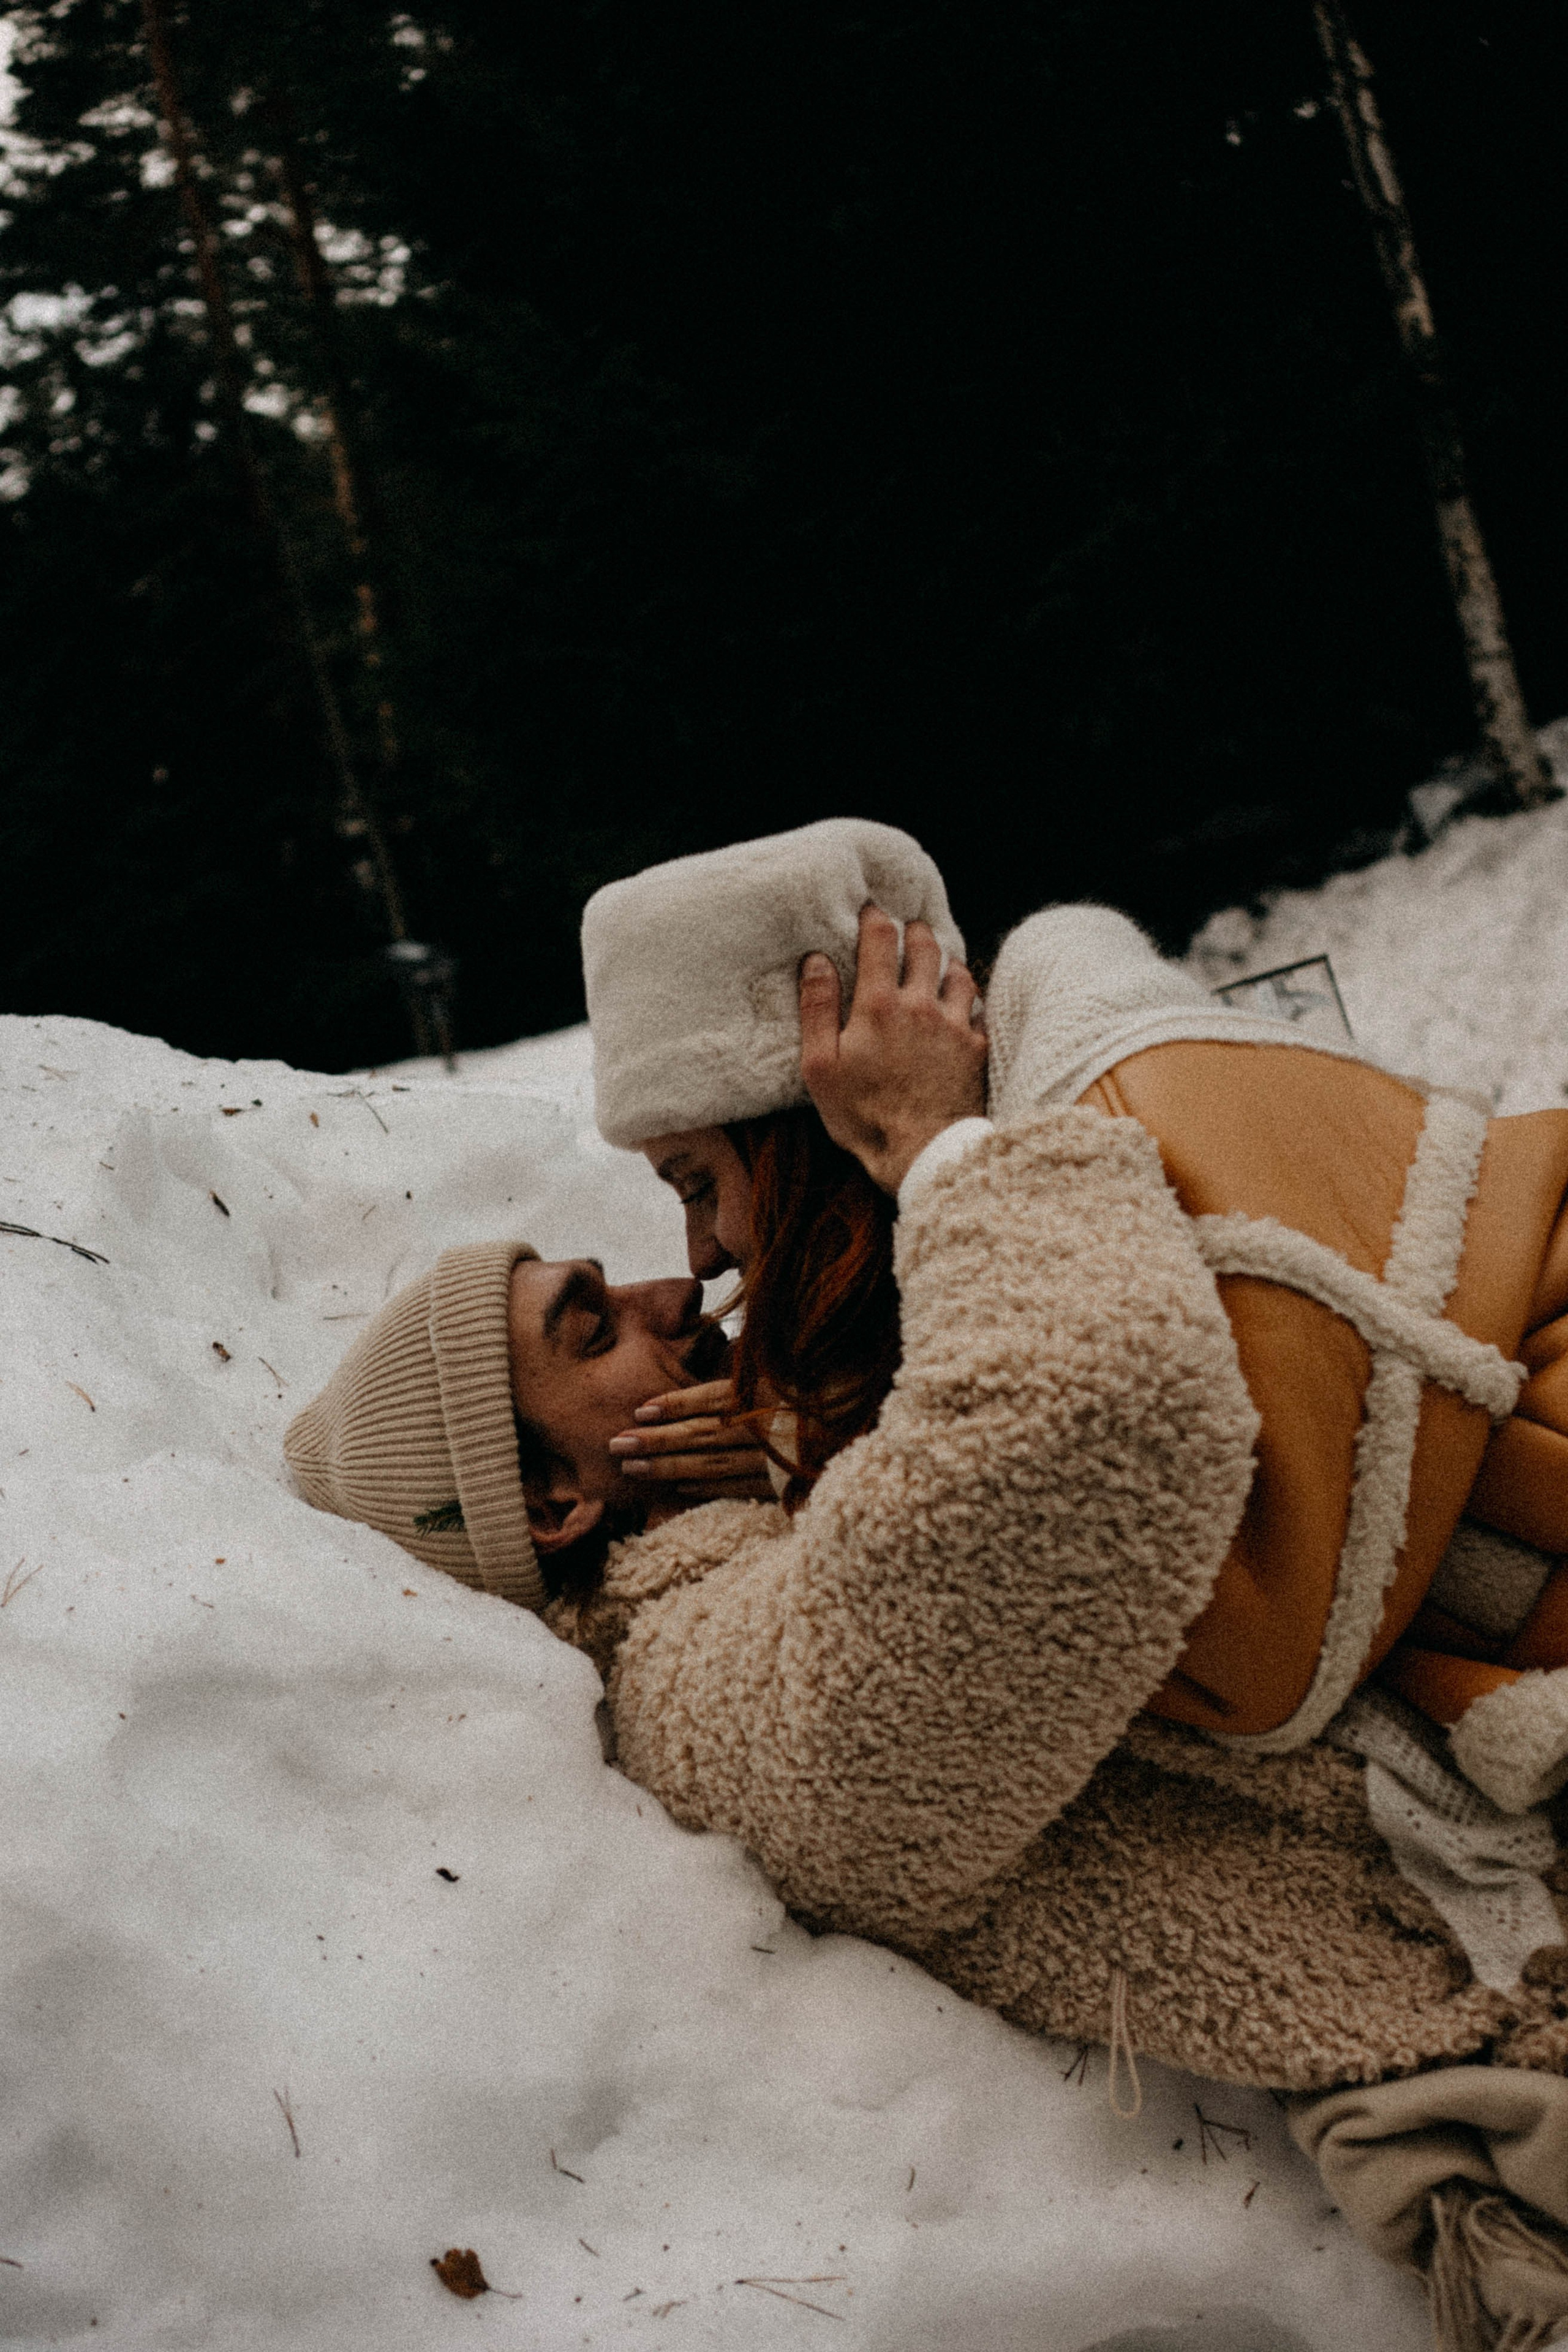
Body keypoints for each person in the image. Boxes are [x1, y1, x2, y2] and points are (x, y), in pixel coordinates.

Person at [288, 876, 1568, 2340]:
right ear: (557, 1508)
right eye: (593, 1330)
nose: (678, 1284)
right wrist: (947, 1146)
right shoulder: (700, 1693)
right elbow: (1081, 1429)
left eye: (691, 1202)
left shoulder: (770, 1523)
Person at [582, 818, 1568, 1817]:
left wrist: (939, 1154)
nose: (701, 1255)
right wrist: (839, 1421)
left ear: (815, 1126)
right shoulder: (1043, 1163)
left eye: (697, 1182)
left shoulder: (1113, 1102)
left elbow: (1251, 1643)